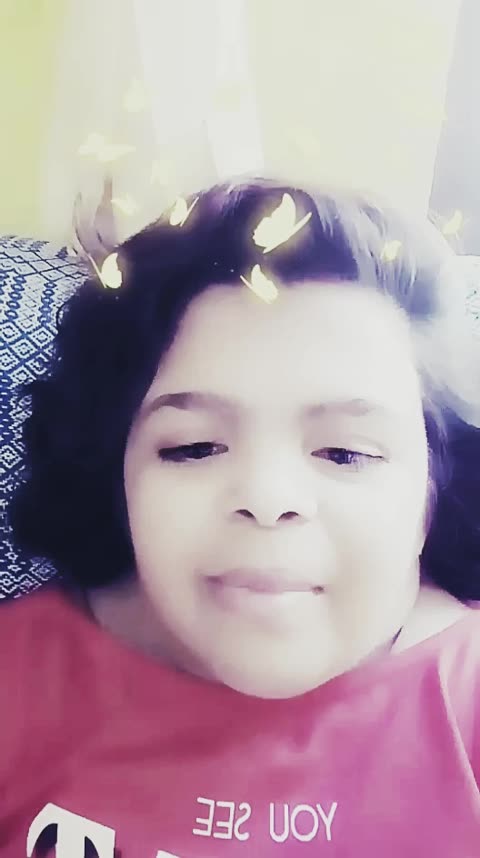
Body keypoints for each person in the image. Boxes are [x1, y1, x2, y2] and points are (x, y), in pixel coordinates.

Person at [2, 176, 480, 857]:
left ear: (437, 483)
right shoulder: (16, 681)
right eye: (194, 447)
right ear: (117, 473)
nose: (267, 495)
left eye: (345, 452)